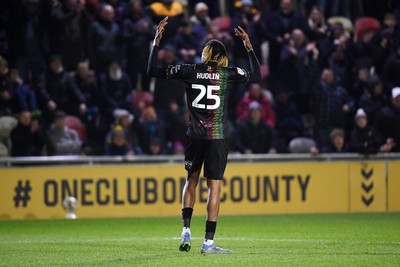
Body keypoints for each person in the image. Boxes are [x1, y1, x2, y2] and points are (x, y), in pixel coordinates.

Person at [147, 17, 261, 254]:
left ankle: (186, 230)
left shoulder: (190, 70)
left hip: (194, 135)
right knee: (214, 187)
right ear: (222, 56)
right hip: (217, 136)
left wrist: (156, 42)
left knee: (191, 180)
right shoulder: (228, 73)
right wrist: (248, 46)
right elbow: (256, 75)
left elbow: (152, 70)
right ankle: (208, 243)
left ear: (205, 53)